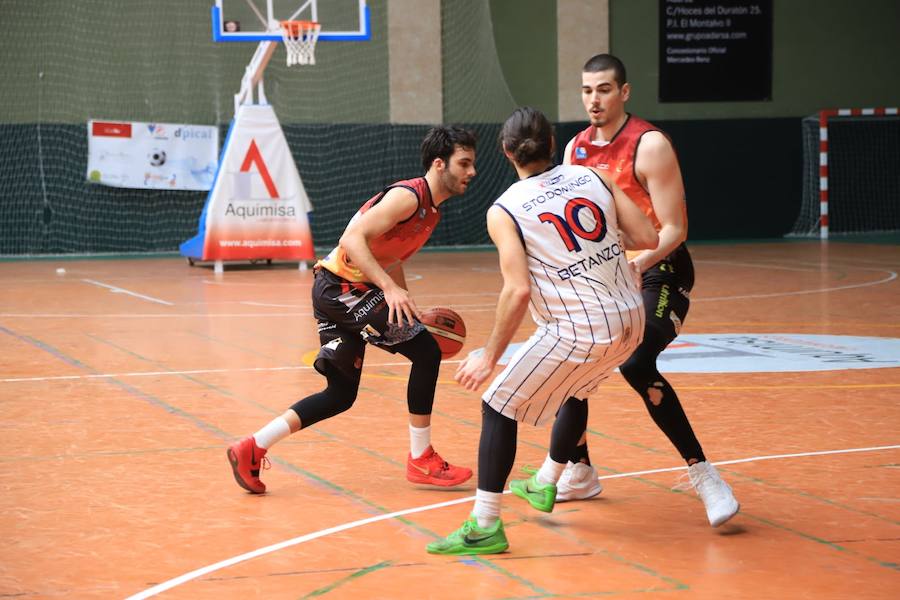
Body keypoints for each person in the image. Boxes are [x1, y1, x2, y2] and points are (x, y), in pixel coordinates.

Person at [428, 107, 658, 555]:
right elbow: (648, 235)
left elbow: (517, 291)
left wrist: (488, 356)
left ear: (506, 152)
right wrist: (598, 242)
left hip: (581, 325)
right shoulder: (593, 176)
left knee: (498, 405)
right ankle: (547, 481)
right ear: (554, 144)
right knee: (577, 390)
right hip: (632, 319)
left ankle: (485, 525)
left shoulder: (505, 209)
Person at [227, 126, 478, 494]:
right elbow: (351, 239)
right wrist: (390, 291)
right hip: (342, 289)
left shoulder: (430, 212)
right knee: (426, 352)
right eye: (464, 163)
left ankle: (252, 446)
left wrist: (407, 305)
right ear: (440, 164)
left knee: (341, 394)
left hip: (341, 292)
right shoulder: (408, 197)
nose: (472, 172)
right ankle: (420, 458)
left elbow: (390, 258)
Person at [552, 53, 739, 527]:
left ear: (624, 92)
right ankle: (580, 470)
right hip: (607, 274)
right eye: (587, 90)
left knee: (636, 361)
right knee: (571, 360)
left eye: (604, 90)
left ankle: (705, 476)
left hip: (661, 270)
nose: (594, 99)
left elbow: (674, 228)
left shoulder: (649, 145)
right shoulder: (574, 149)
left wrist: (637, 264)